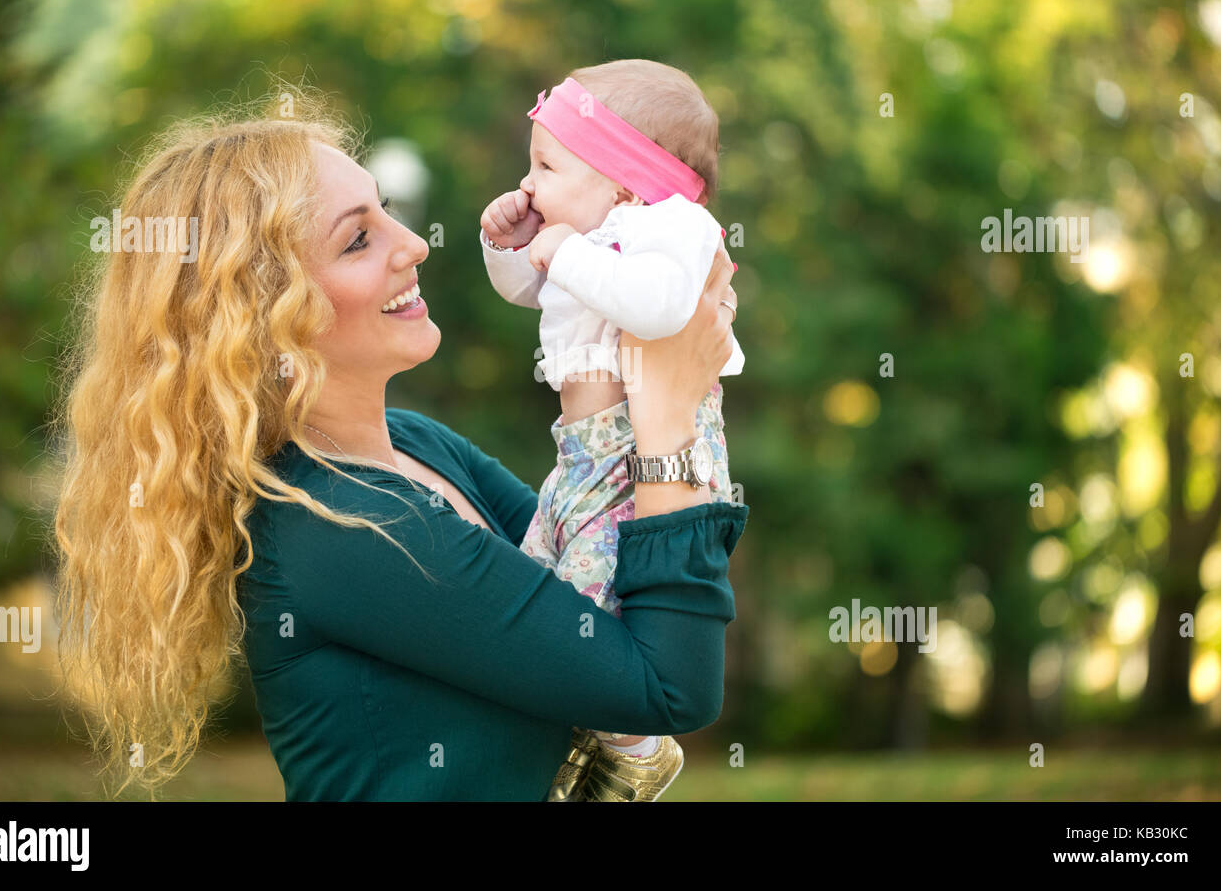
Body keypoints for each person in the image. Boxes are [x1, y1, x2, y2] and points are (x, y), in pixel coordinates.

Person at [50, 91, 747, 801]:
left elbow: (611, 601)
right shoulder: (347, 526)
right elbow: (666, 684)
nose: (412, 244)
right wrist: (665, 409)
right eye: (358, 239)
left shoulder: (418, 448)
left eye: (387, 211)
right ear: (264, 319)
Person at [480, 59, 743, 800]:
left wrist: (563, 250)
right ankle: (576, 753)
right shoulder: (586, 237)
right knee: (536, 588)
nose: (527, 182)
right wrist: (509, 245)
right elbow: (528, 289)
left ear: (623, 182)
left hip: (641, 457)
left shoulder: (674, 228)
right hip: (580, 458)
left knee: (584, 621)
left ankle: (632, 748)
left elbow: (659, 310)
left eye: (545, 165)